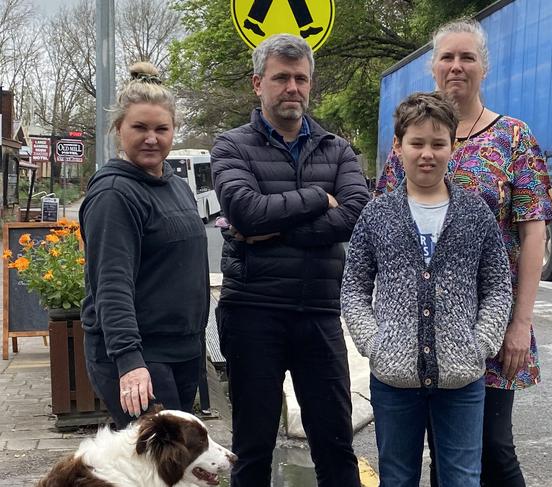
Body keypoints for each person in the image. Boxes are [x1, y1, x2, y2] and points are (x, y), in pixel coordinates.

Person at [377, 19, 552, 486]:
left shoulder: (513, 138)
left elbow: (534, 233)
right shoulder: (408, 142)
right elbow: (383, 234)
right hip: (422, 330)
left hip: (491, 326)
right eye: (447, 57)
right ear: (433, 67)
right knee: (446, 456)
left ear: (485, 67)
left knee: (494, 449)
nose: (457, 67)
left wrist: (519, 324)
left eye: (468, 58)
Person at [211, 34, 369, 487]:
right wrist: (320, 196)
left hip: (318, 313)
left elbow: (357, 215)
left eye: (301, 79)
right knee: (253, 447)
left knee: (335, 443)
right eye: (281, 78)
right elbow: (245, 211)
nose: (292, 88)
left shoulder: (336, 149)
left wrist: (270, 230)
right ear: (258, 83)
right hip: (252, 312)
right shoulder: (231, 146)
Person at [342, 91, 512, 486]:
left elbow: (498, 286)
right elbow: (353, 287)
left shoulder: (474, 213)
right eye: (417, 143)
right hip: (393, 381)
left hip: (462, 379)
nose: (427, 154)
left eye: (438, 144)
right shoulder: (378, 213)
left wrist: (480, 344)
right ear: (398, 147)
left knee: (462, 478)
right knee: (397, 477)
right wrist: (376, 343)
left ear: (453, 146)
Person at [80, 62, 209, 429]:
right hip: (140, 357)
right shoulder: (114, 194)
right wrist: (129, 362)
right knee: (154, 471)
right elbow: (112, 284)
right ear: (118, 129)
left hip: (182, 350)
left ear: (173, 132)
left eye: (161, 129)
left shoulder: (175, 185)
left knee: (174, 469)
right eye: (139, 127)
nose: (151, 138)